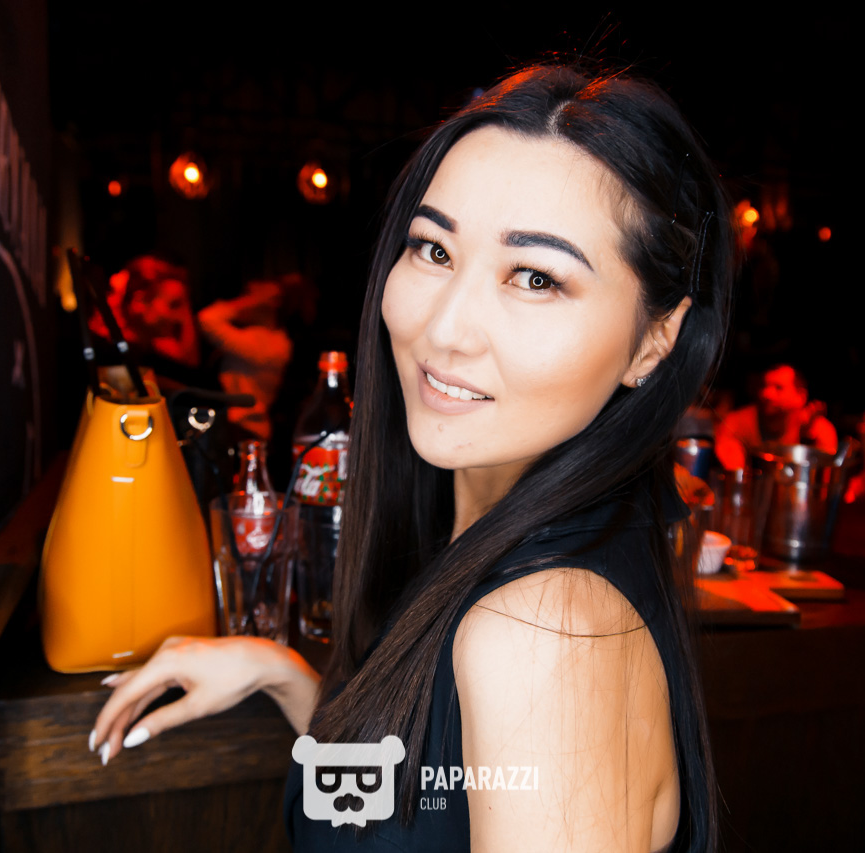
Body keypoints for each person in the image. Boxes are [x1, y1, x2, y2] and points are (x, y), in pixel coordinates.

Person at [89, 64, 732, 853]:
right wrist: (284, 673)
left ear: (655, 340)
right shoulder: (514, 540)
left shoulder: (542, 635)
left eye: (536, 277)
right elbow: (427, 808)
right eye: (433, 248)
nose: (445, 328)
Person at [196, 275, 309, 442]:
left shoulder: (266, 343)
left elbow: (208, 318)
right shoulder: (262, 338)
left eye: (246, 296)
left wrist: (254, 299)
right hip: (237, 427)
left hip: (246, 430)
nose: (240, 301)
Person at [714, 364, 837, 470]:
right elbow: (733, 468)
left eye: (778, 388)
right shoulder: (737, 422)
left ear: (800, 396)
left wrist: (811, 439)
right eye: (764, 386)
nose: (766, 394)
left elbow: (826, 471)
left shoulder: (815, 427)